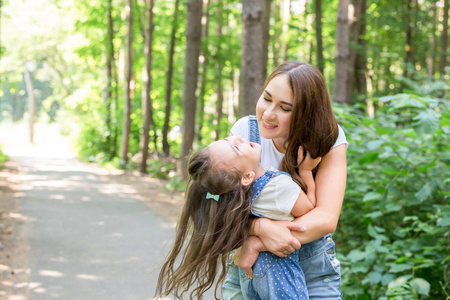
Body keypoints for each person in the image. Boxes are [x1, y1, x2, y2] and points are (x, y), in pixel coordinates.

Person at [222, 61, 348, 299]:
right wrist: (259, 228)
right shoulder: (243, 135)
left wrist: (258, 243)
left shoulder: (328, 139)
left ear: (307, 113)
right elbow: (218, 203)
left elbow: (326, 218)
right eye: (267, 98)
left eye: (285, 108)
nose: (269, 114)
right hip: (248, 271)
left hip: (311, 268)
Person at [155, 135, 322, 299]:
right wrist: (306, 172)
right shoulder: (278, 187)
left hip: (248, 277)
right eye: (235, 147)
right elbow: (310, 211)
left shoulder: (234, 198)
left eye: (227, 139)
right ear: (247, 177)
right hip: (279, 279)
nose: (237, 138)